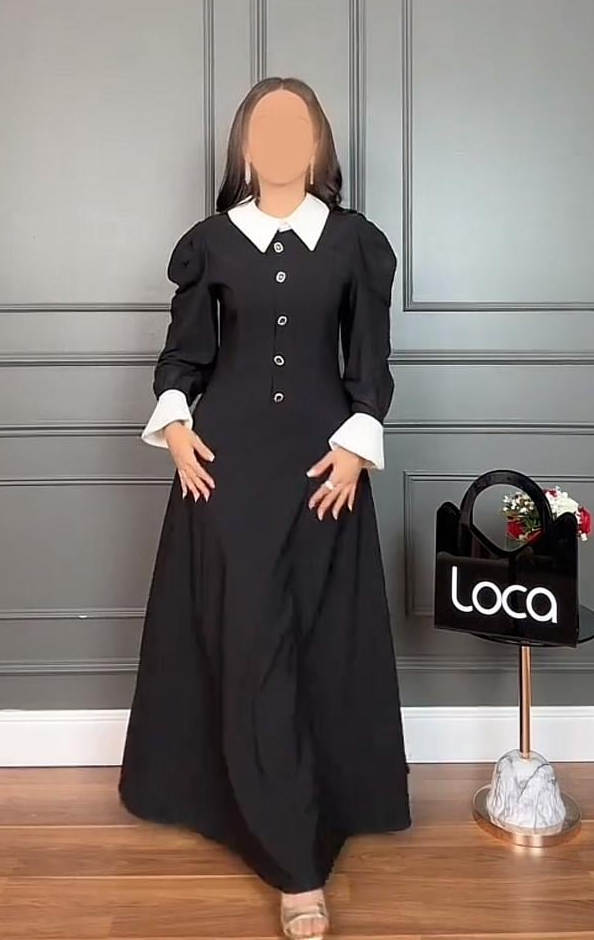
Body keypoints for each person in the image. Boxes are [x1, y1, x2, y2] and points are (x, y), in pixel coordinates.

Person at [118, 76, 412, 940]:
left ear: (319, 146)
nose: (281, 142)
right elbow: (184, 358)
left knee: (311, 647)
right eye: (266, 127)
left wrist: (358, 444)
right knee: (252, 646)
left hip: (324, 474)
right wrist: (176, 429)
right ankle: (296, 867)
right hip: (226, 475)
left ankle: (307, 814)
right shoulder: (210, 243)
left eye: (297, 127)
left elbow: (370, 363)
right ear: (244, 147)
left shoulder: (356, 243)